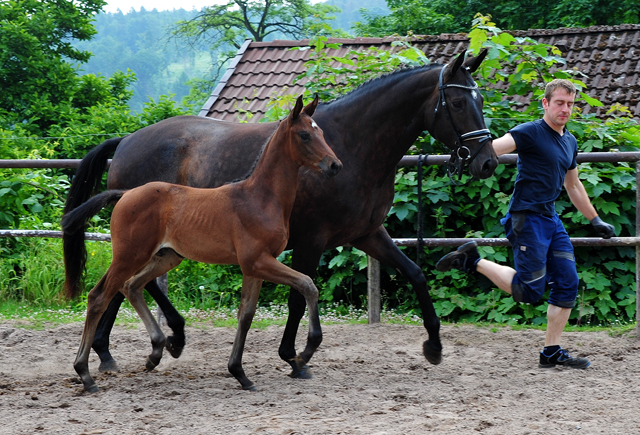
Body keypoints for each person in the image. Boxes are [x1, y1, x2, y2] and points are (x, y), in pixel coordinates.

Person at [436, 79, 615, 369]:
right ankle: (473, 260)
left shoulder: (569, 140)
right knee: (529, 291)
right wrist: (465, 152)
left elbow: (573, 185)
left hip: (551, 220)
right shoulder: (530, 131)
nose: (565, 109)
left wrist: (595, 219)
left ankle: (551, 352)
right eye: (559, 102)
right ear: (545, 103)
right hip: (526, 218)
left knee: (568, 284)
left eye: (569, 104)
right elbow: (493, 148)